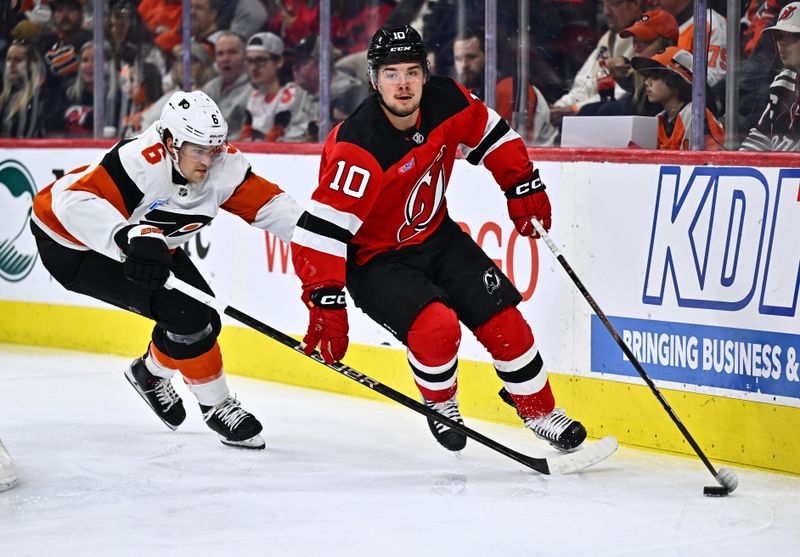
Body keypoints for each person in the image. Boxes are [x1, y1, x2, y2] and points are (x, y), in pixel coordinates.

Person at [290, 25, 587, 454]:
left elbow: (492, 134)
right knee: (437, 328)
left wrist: (522, 184)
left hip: (437, 236)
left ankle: (539, 411)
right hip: (377, 260)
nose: (404, 83)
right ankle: (442, 402)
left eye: (412, 71)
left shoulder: (446, 99)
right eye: (391, 73)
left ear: (426, 74)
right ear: (374, 80)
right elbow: (322, 231)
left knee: (505, 321)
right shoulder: (359, 145)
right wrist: (324, 298)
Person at [30, 91, 303, 450]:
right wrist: (126, 235)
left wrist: (325, 238)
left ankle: (149, 373)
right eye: (199, 150)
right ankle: (218, 406)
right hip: (73, 245)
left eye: (215, 148)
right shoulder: (141, 163)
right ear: (171, 142)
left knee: (205, 319)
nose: (209, 160)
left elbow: (273, 207)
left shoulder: (223, 166)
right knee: (185, 313)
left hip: (145, 240)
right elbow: (75, 202)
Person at [453, 28, 557, 146]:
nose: (464, 65)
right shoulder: (467, 92)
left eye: (471, 57)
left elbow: (503, 147)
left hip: (542, 161)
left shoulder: (509, 89)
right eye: (458, 59)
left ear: (489, 57)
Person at [550, 0, 643, 125]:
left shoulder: (646, 42)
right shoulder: (607, 38)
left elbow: (626, 91)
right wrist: (558, 107)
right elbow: (582, 84)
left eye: (612, 4)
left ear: (635, 4)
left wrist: (576, 109)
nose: (606, 12)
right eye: (603, 5)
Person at [580, 9, 680, 117]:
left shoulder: (675, 74)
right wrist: (621, 76)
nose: (636, 48)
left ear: (666, 45)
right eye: (635, 41)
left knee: (606, 111)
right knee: (587, 111)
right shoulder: (640, 74)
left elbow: (648, 107)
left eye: (645, 42)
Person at [631, 47, 725, 150]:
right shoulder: (659, 120)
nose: (647, 83)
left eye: (655, 77)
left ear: (676, 81)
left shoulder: (696, 116)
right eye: (647, 77)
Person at [740, 1, 800, 151]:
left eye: (791, 36)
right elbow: (759, 138)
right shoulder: (783, 82)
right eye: (779, 36)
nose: (782, 43)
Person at [240, 32, 304, 141]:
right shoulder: (253, 97)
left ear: (279, 61)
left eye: (260, 60)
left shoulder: (293, 94)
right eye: (249, 61)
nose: (254, 67)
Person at [201, 31, 253, 140]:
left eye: (232, 52)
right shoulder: (210, 88)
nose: (225, 59)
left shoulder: (253, 90)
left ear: (245, 55)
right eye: (220, 54)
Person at [0, 39, 45, 137]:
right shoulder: (4, 96)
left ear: (31, 65)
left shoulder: (39, 96)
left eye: (17, 60)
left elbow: (26, 137)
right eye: (9, 59)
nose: (11, 65)